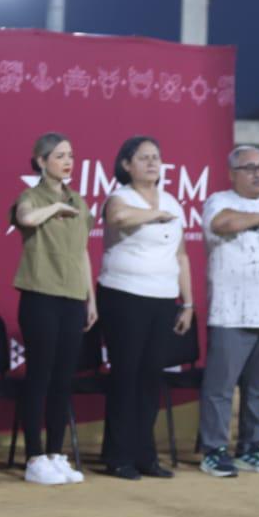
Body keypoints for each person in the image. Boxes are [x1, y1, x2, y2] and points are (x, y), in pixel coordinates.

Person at [198, 146, 259, 478]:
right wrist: (258, 218)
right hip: (232, 313)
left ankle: (251, 448)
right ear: (232, 173)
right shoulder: (220, 200)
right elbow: (221, 223)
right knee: (221, 388)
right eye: (249, 167)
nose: (258, 173)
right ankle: (214, 450)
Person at [96, 136, 189, 480]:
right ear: (126, 165)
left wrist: (188, 302)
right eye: (144, 158)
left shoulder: (172, 201)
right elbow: (119, 219)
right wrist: (155, 215)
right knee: (126, 375)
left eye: (156, 157)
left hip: (164, 297)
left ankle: (145, 455)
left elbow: (180, 255)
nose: (152, 163)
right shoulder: (119, 198)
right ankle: (117, 455)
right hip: (124, 295)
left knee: (151, 377)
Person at [11, 133, 96, 486]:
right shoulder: (32, 196)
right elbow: (25, 219)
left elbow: (83, 251)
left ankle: (56, 454)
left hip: (73, 297)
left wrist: (90, 297)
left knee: (64, 379)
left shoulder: (79, 201)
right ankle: (34, 457)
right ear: (41, 160)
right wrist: (55, 208)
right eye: (60, 155)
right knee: (40, 377)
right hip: (40, 295)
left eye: (71, 155)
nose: (67, 161)